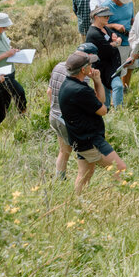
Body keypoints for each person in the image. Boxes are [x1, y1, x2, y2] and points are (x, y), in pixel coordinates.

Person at [58, 52, 127, 193]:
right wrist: (97, 82)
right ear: (83, 70)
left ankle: (78, 200)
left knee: (85, 174)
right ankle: (120, 199)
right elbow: (103, 109)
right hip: (91, 141)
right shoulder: (80, 90)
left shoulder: (68, 84)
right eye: (90, 64)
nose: (93, 66)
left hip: (79, 139)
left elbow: (99, 101)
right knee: (120, 168)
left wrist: (97, 81)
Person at [46, 46, 94, 180]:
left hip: (54, 116)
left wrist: (55, 108)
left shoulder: (58, 66)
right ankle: (81, 185)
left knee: (64, 151)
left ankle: (59, 179)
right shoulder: (81, 77)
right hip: (68, 120)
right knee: (84, 155)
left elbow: (49, 92)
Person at [0, 12, 26, 114]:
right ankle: (23, 114)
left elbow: (5, 46)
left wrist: (12, 50)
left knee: (6, 96)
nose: (6, 29)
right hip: (0, 73)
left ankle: (4, 116)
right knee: (19, 92)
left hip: (10, 70)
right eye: (3, 27)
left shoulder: (1, 33)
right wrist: (6, 54)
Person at [85, 6, 124, 108]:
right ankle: (118, 111)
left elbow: (116, 37)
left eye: (108, 16)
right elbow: (108, 49)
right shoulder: (93, 33)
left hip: (111, 66)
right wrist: (116, 42)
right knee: (117, 86)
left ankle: (109, 112)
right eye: (105, 16)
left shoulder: (104, 28)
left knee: (106, 92)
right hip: (102, 68)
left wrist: (115, 40)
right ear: (96, 17)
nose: (108, 18)